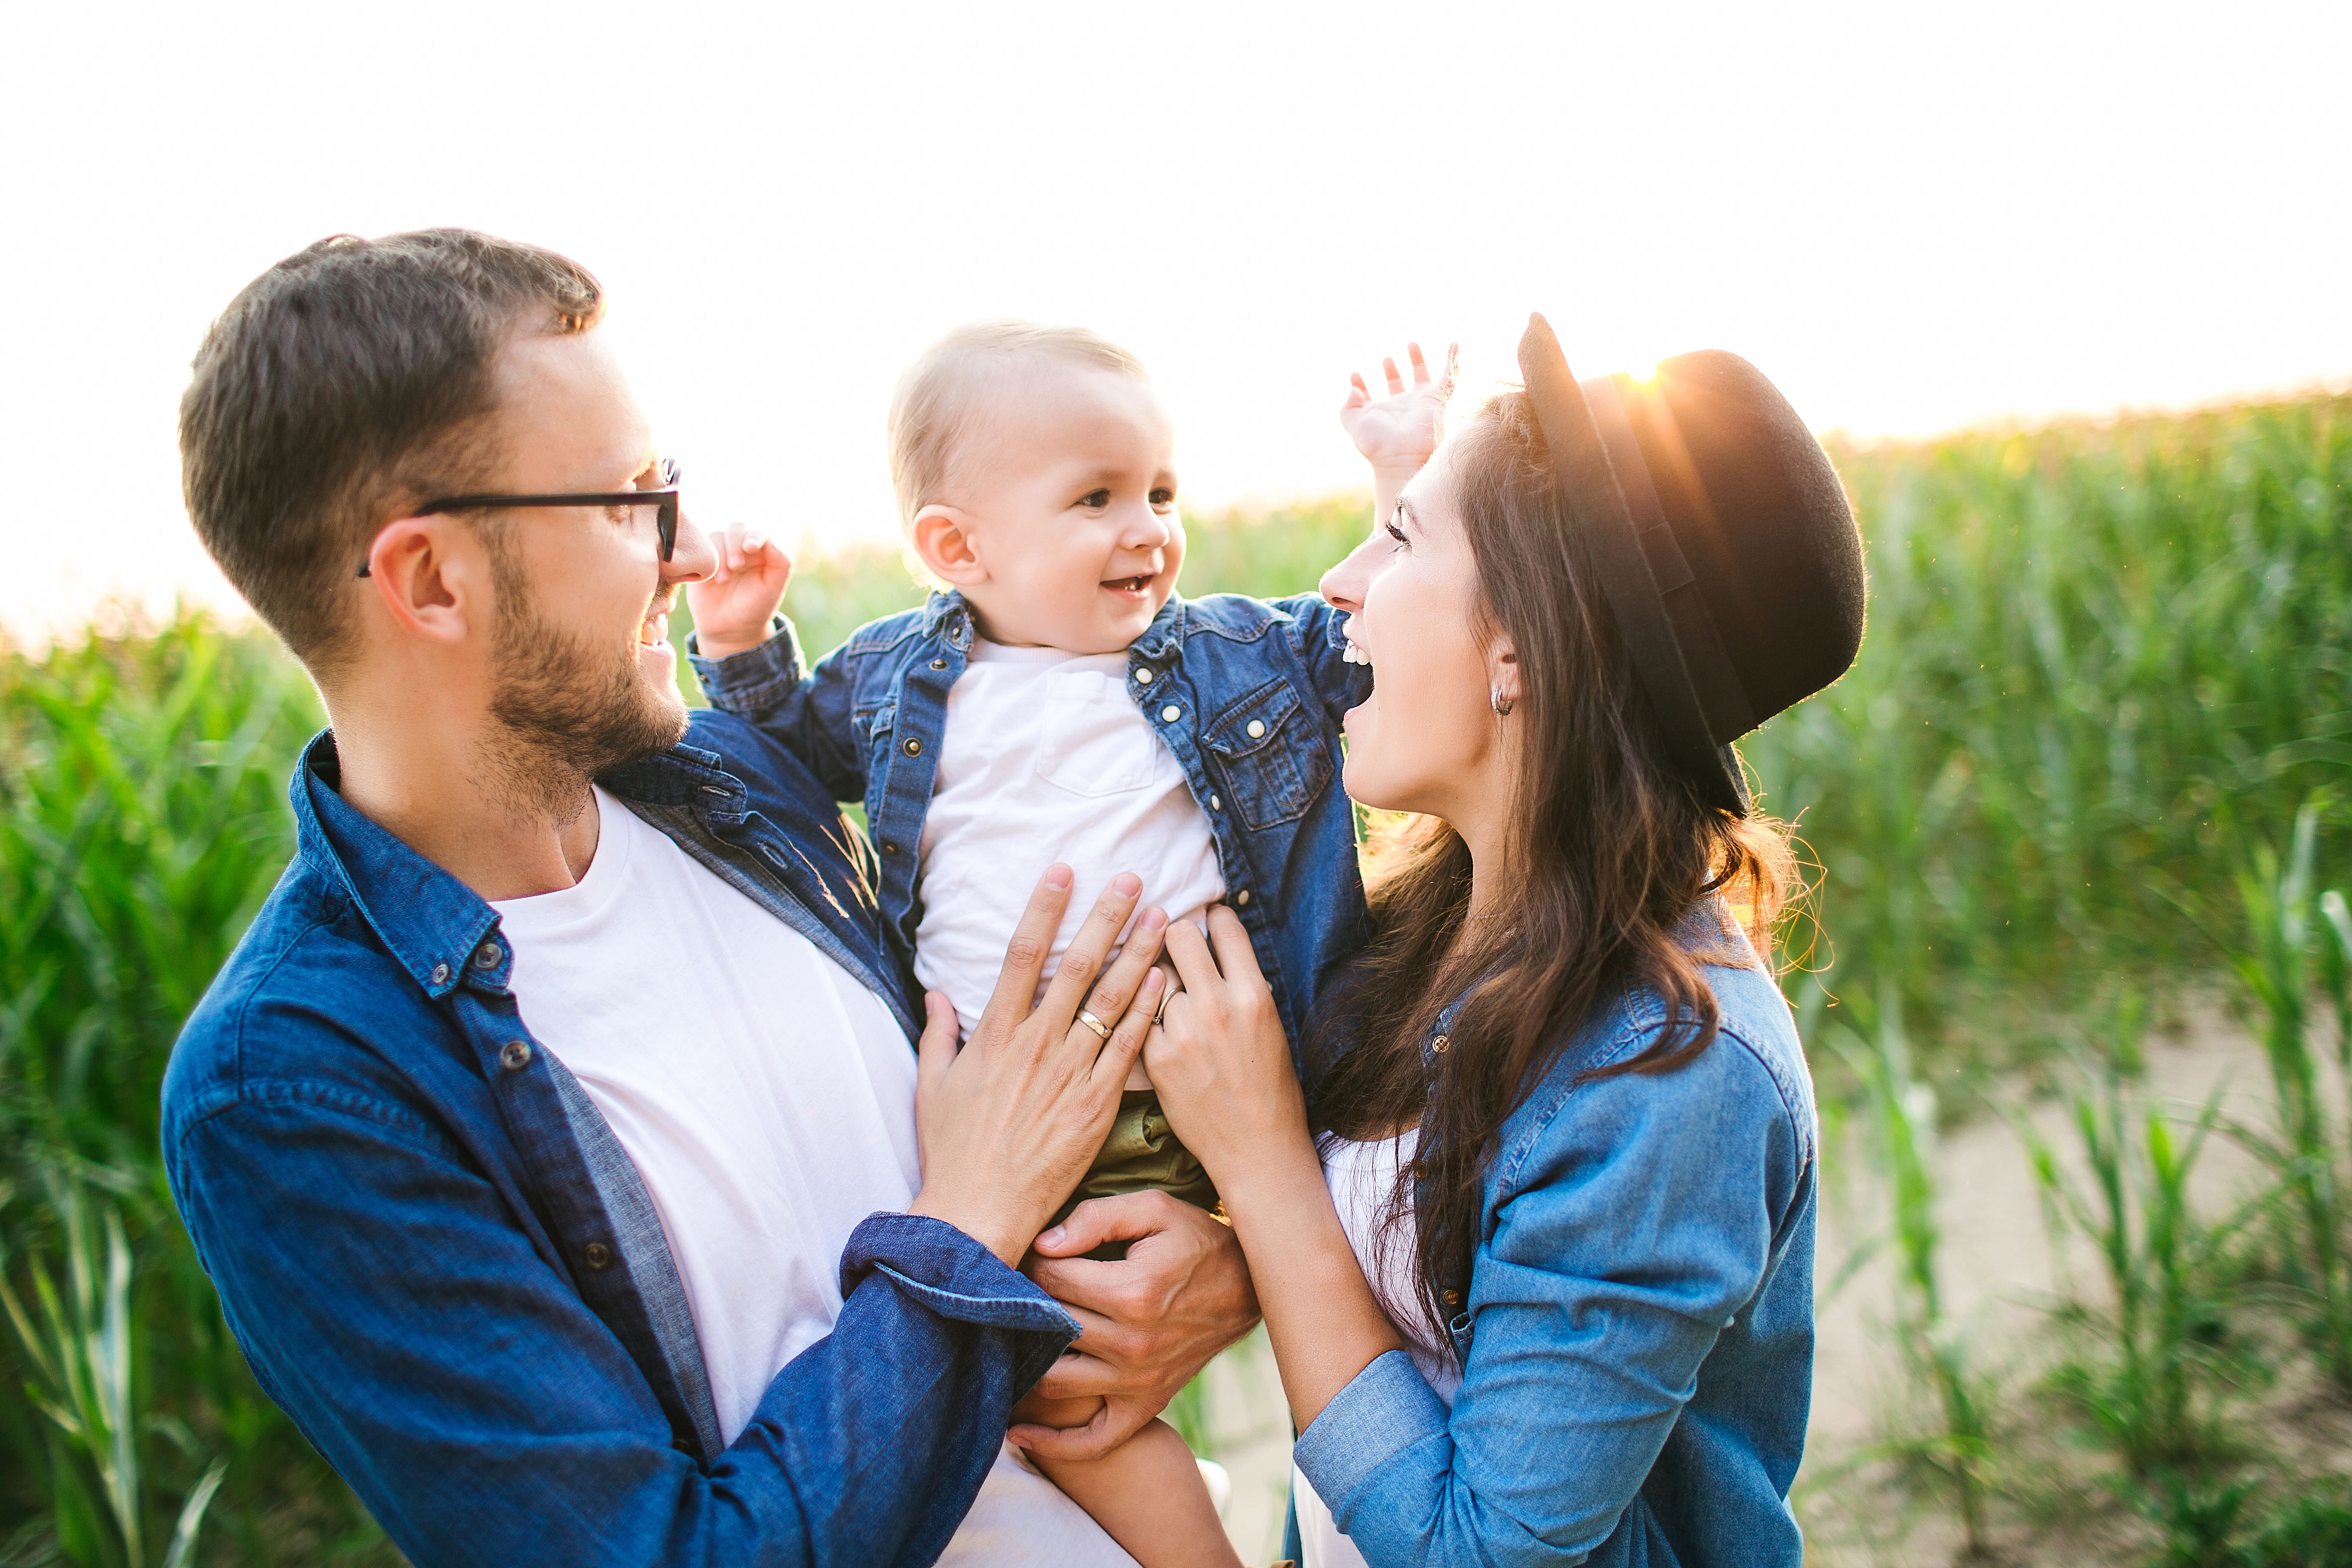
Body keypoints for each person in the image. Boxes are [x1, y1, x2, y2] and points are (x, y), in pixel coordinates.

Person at [160, 230, 1257, 1567]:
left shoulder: (735, 792)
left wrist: (1219, 1259)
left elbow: (1078, 1168)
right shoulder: (297, 1092)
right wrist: (965, 1226)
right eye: (627, 502)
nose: (681, 550)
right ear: (431, 580)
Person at [683, 319, 1453, 1566]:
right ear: (956, 546)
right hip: (1000, 1113)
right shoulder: (899, 684)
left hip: (1182, 1095)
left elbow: (1363, 643)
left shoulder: (1223, 659)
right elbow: (781, 757)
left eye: (1158, 489)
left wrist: (1399, 479)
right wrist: (734, 643)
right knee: (1060, 1409)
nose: (1147, 526)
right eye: (1095, 497)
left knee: (1067, 1401)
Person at [1143, 315, 1866, 1566]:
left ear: (1521, 651)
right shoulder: (1449, 922)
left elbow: (1475, 1550)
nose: (1337, 582)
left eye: (1401, 537)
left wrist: (1262, 1178)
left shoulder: (1670, 1079)